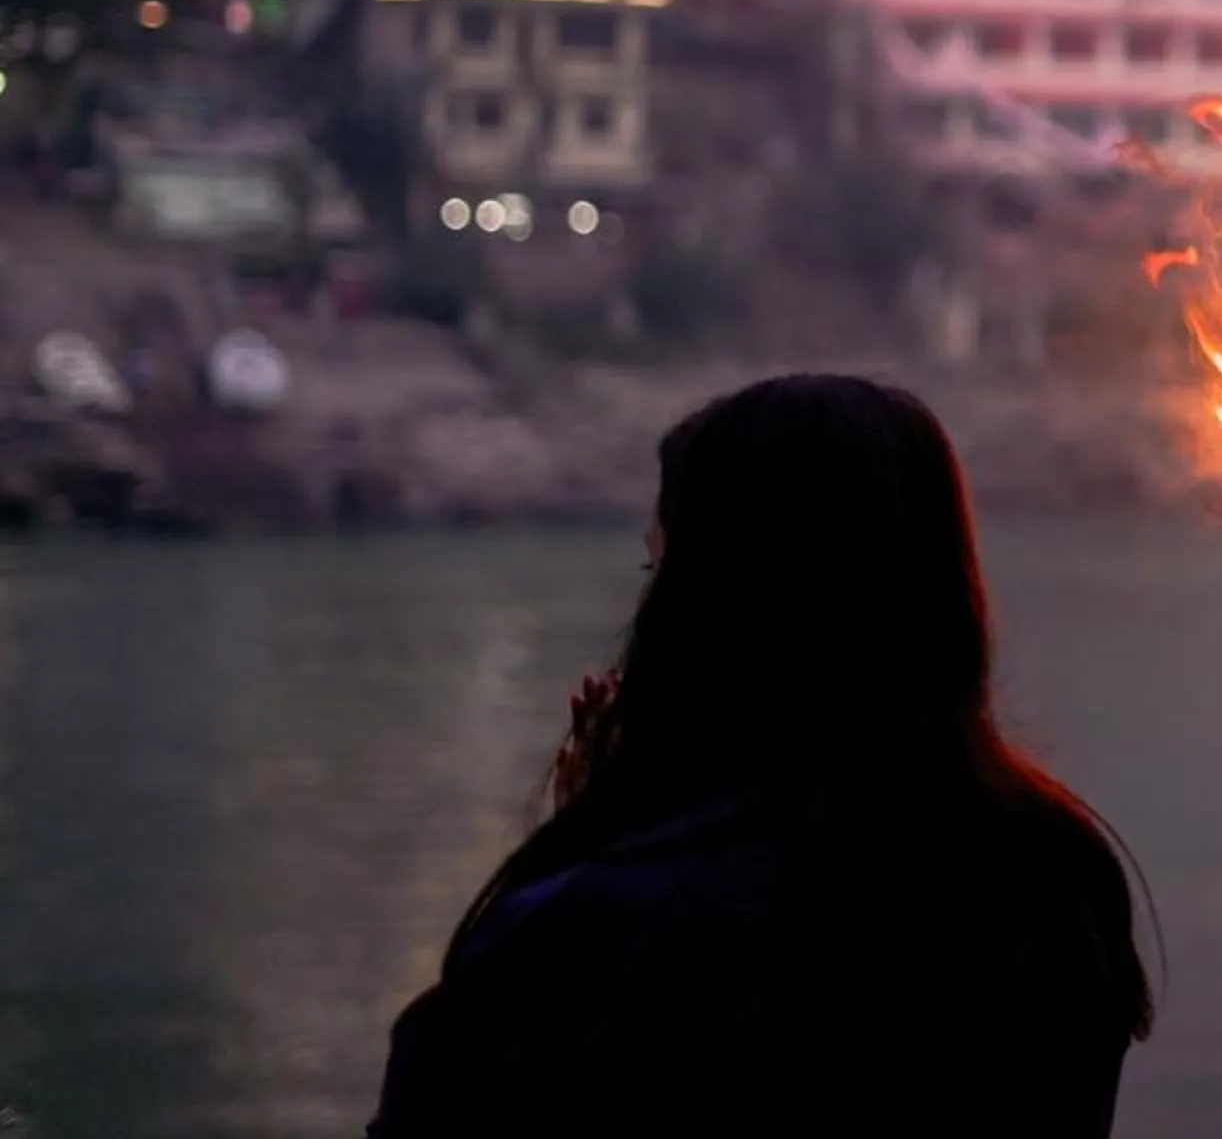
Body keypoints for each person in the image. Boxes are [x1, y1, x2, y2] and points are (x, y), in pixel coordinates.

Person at [369, 375, 1152, 1138]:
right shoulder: (1058, 871)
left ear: (713, 605)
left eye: (659, 569)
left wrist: (590, 844)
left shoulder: (606, 919)